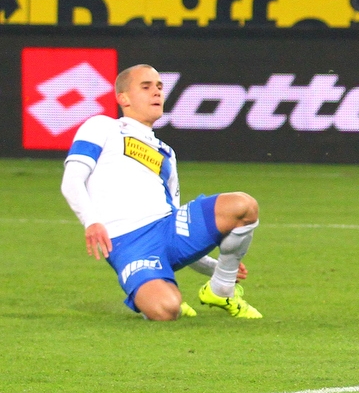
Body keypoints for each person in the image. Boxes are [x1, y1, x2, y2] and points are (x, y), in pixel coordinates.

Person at [61, 64, 263, 321]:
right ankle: (159, 296)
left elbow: (176, 226)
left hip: (169, 228)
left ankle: (221, 289)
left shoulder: (166, 153)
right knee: (166, 310)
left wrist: (215, 268)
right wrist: (91, 222)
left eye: (159, 87)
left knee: (243, 205)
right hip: (130, 244)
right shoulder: (102, 127)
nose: (156, 93)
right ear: (123, 98)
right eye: (146, 87)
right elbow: (72, 180)